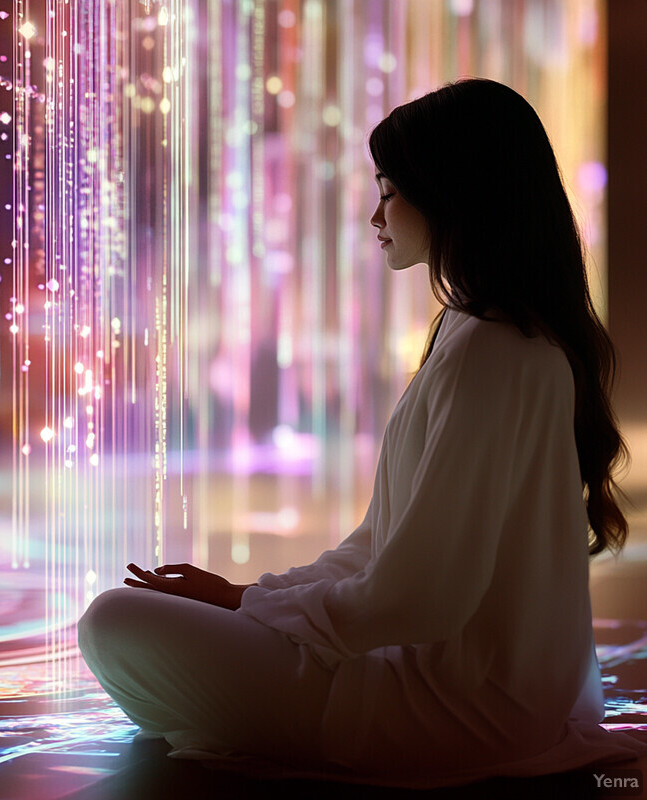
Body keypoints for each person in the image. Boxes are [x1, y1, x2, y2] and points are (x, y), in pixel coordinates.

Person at [78, 78, 647, 787]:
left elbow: (425, 597)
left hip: (455, 717)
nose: (376, 217)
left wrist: (255, 606)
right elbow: (383, 544)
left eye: (388, 190)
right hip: (485, 702)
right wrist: (249, 595)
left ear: (452, 192)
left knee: (113, 623)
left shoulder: (493, 350)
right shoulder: (485, 335)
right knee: (143, 622)